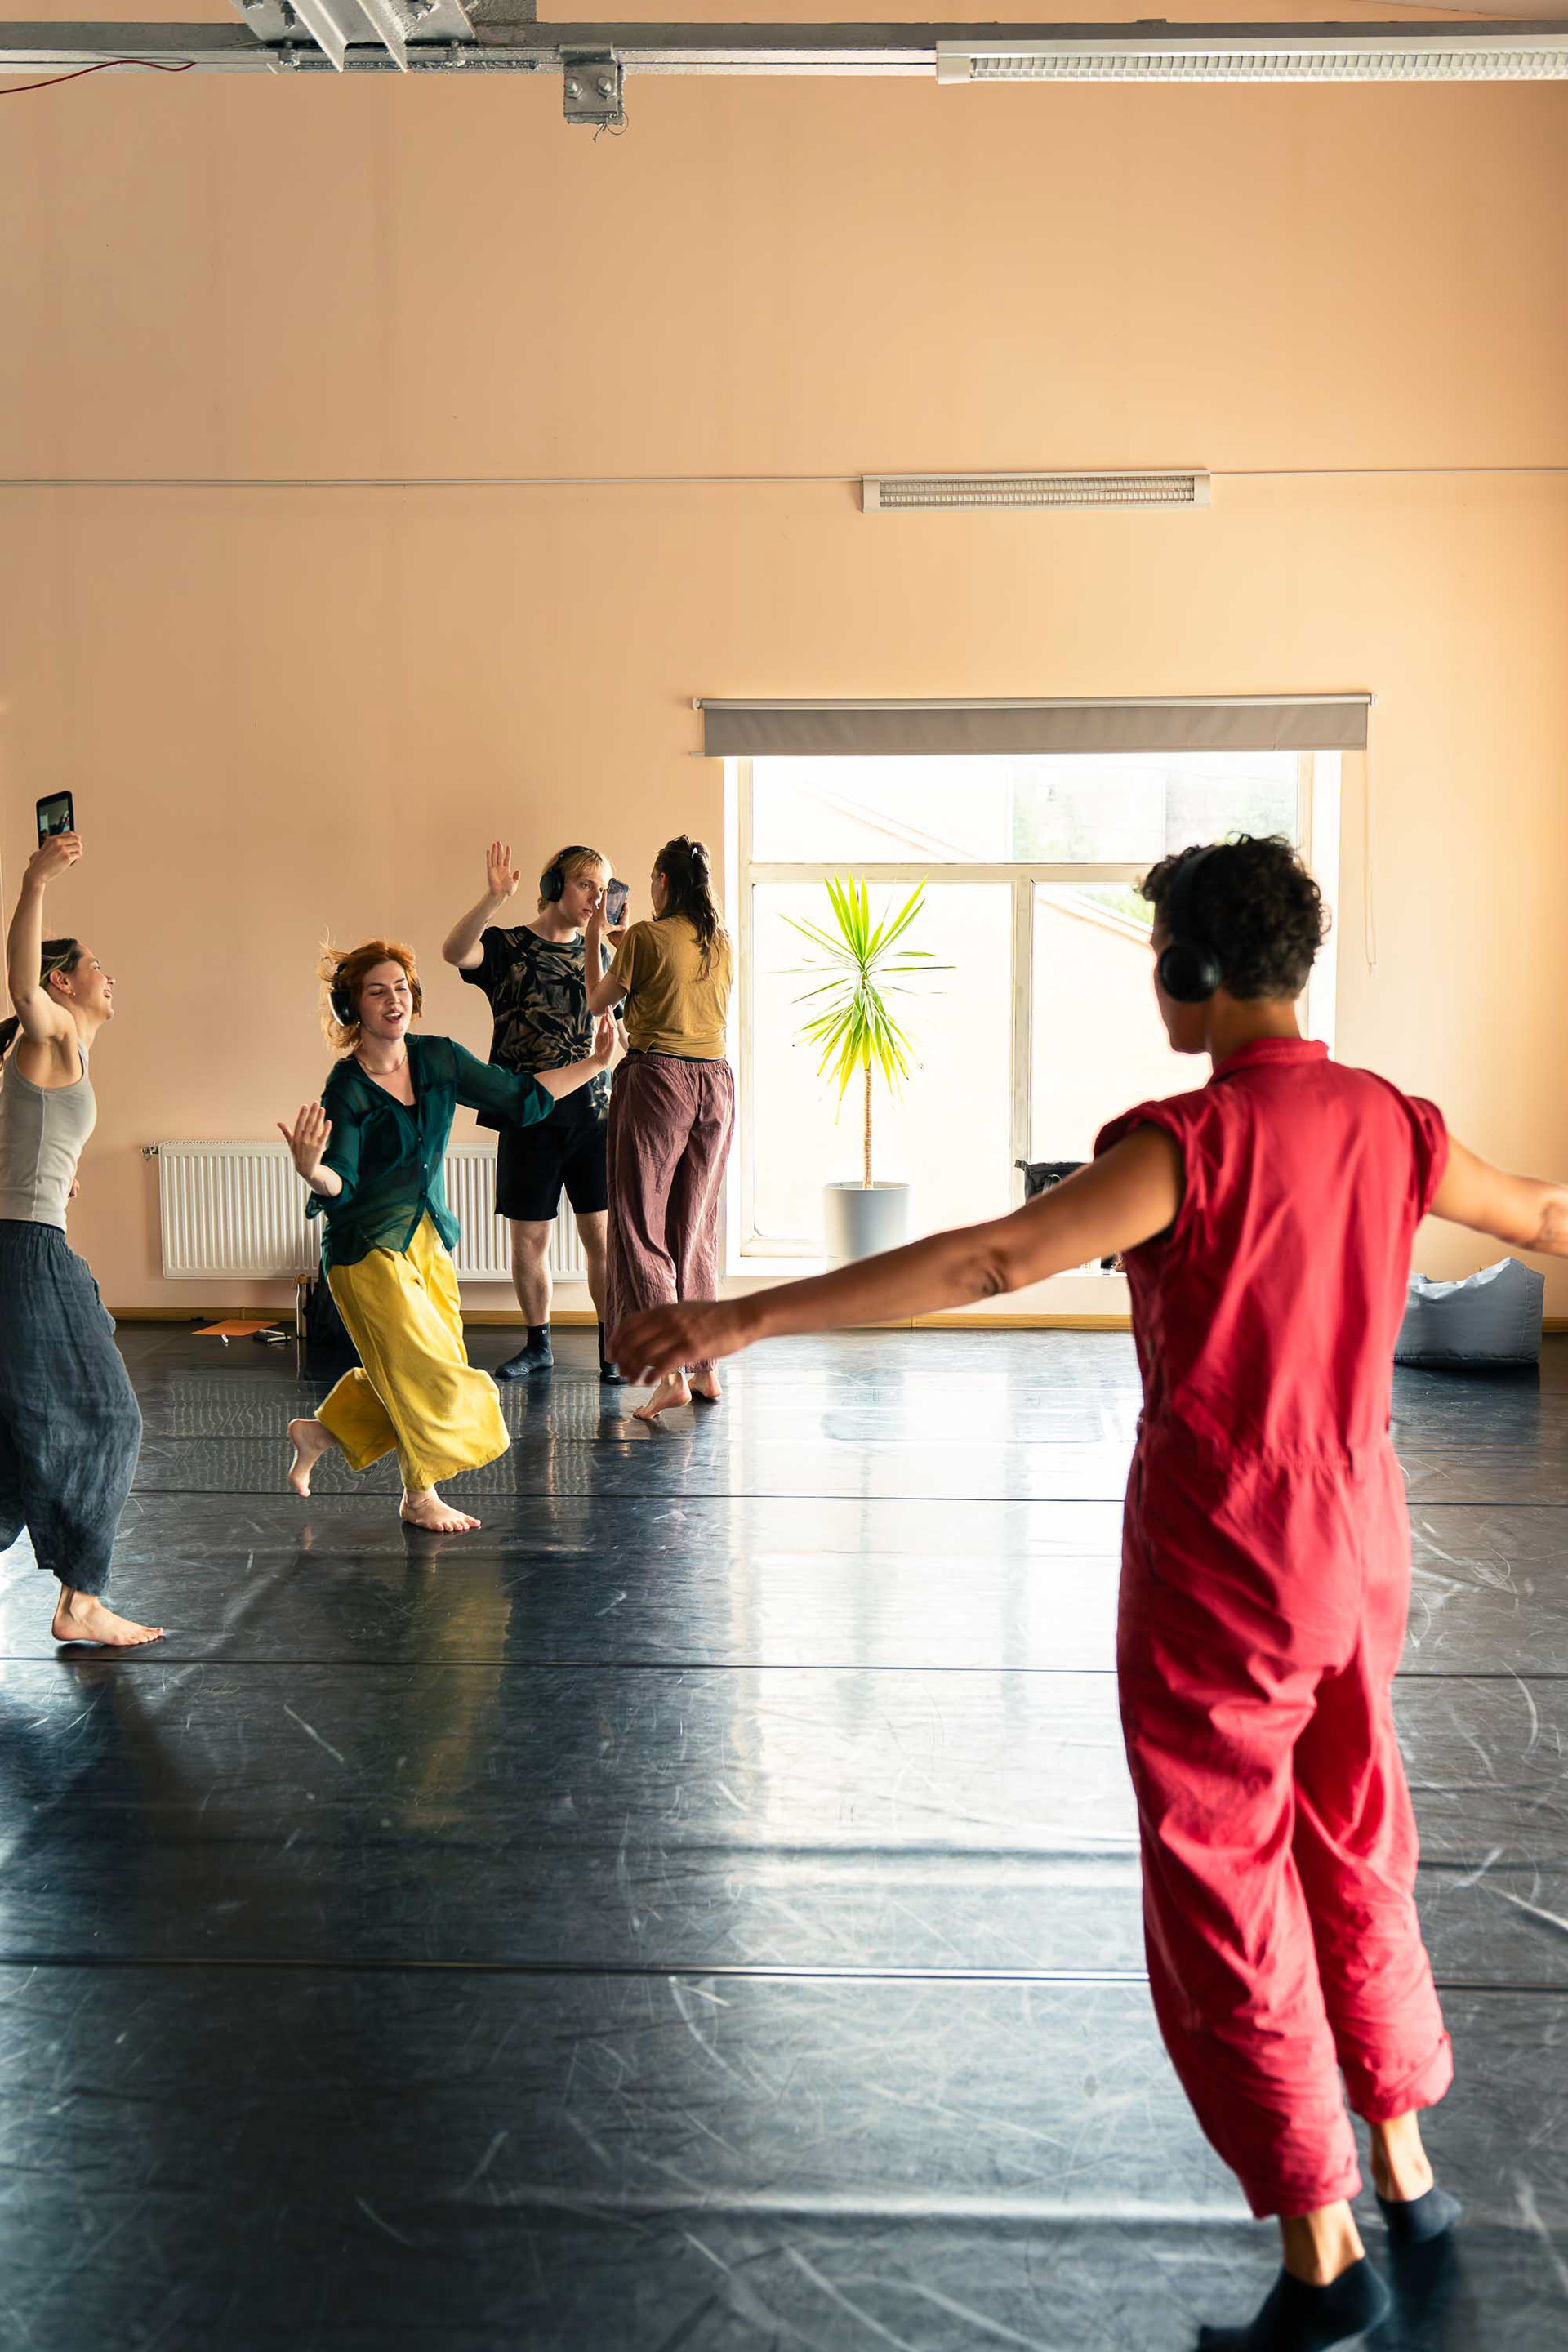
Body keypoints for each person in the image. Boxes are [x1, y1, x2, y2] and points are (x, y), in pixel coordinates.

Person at [612, 834, 1568, 2352]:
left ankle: (1324, 2252)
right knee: (1353, 1833)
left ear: (1192, 970)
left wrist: (742, 1316)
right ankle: (1405, 2165)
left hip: (1228, 1551)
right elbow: (1549, 1218)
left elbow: (996, 1260)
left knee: (1225, 1872)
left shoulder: (1188, 1144)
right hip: (1363, 1536)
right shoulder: (1397, 1123)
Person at [279, 938, 615, 1535]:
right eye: (377, 991)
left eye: (401, 988)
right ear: (353, 1008)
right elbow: (341, 1182)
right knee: (427, 1371)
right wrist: (312, 1171)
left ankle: (322, 1432)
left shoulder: (437, 1058)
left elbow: (520, 1098)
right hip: (364, 1249)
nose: (394, 1001)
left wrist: (593, 1064)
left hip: (426, 1237)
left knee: (429, 1361)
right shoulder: (346, 1089)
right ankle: (419, 1495)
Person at [0, 831, 162, 1647]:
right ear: (63, 982)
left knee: (10, 1439)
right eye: (95, 963)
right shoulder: (52, 1032)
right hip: (27, 1253)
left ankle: (80, 1597)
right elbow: (22, 986)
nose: (109, 973)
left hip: (24, 1242)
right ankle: (81, 1601)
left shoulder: (57, 1060)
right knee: (110, 1418)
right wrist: (35, 881)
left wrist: (49, 1175)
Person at [440, 840, 626, 1384]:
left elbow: (625, 1026)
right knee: (530, 1239)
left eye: (604, 888)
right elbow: (454, 952)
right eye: (586, 884)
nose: (596, 898)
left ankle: (611, 1349)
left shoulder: (604, 957)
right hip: (527, 1116)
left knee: (601, 1237)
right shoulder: (508, 947)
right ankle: (537, 1345)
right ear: (554, 886)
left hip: (594, 1118)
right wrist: (493, 898)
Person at [583, 834, 734, 1423]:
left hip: (658, 1083)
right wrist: (626, 944)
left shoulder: (645, 937)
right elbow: (673, 982)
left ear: (663, 881)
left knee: (641, 1226)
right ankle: (706, 1369)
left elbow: (598, 1000)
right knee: (694, 1228)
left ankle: (671, 1376)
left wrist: (595, 935)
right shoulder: (718, 941)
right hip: (715, 1083)